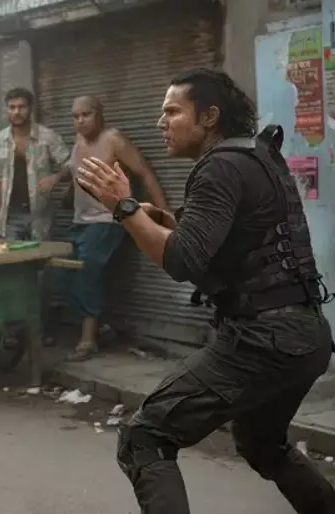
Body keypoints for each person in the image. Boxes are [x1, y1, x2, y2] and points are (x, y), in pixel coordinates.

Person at [77, 68, 335, 514]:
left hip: (263, 339)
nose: (161, 122)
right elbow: (231, 241)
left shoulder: (218, 167)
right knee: (261, 441)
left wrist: (123, 206)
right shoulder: (254, 155)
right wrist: (163, 221)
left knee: (144, 437)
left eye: (172, 112)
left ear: (209, 117)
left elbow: (182, 261)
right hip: (306, 335)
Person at [62, 95, 169, 360]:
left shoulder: (113, 139)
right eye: (75, 116)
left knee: (86, 271)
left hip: (108, 220)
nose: (80, 121)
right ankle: (102, 328)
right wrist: (60, 184)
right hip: (81, 221)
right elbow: (77, 172)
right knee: (64, 272)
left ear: (99, 115)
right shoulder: (78, 141)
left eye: (86, 114)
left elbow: (145, 173)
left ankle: (88, 340)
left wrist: (165, 215)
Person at [0, 87, 71, 241]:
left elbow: (70, 165)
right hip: (10, 216)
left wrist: (55, 178)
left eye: (21, 107)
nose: (16, 112)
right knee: (12, 255)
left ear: (30, 108)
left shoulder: (47, 137)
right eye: (12, 107)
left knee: (41, 255)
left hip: (40, 216)